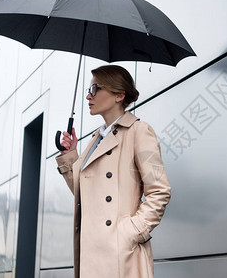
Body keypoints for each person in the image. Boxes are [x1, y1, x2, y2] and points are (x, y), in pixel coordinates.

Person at [55, 65, 171, 278]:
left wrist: (128, 233)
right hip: (92, 252)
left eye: (95, 89)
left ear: (119, 95)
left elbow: (159, 191)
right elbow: (87, 196)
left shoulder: (139, 131)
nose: (89, 96)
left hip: (120, 257)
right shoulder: (95, 140)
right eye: (89, 90)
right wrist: (71, 155)